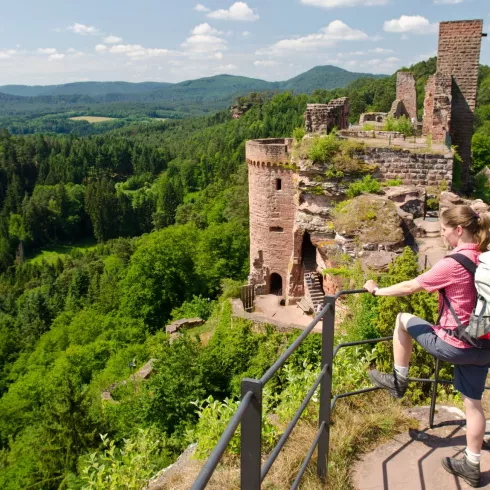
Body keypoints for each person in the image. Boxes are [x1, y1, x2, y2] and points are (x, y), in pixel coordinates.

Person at [364, 205, 490, 488]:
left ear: (459, 230)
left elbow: (411, 286)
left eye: (444, 230)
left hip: (455, 344)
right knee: (473, 404)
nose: (443, 236)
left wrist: (376, 290)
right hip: (483, 347)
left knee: (403, 319)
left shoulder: (453, 263)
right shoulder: (483, 260)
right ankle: (471, 464)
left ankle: (399, 380)